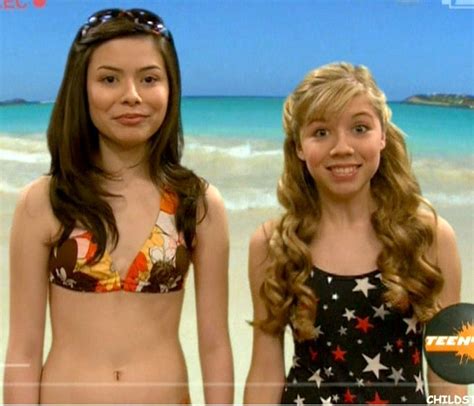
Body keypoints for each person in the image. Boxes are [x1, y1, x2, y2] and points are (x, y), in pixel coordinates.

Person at [4, 8, 233, 404]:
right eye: (109, 79)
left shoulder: (197, 204)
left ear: (171, 87)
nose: (132, 95)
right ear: (81, 88)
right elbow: (23, 350)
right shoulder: (45, 202)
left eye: (149, 78)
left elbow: (215, 345)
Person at [244, 62, 466, 404]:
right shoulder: (274, 244)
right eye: (321, 132)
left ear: (382, 136)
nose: (342, 147)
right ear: (299, 146)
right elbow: (264, 370)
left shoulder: (430, 237)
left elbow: (450, 371)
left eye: (360, 128)